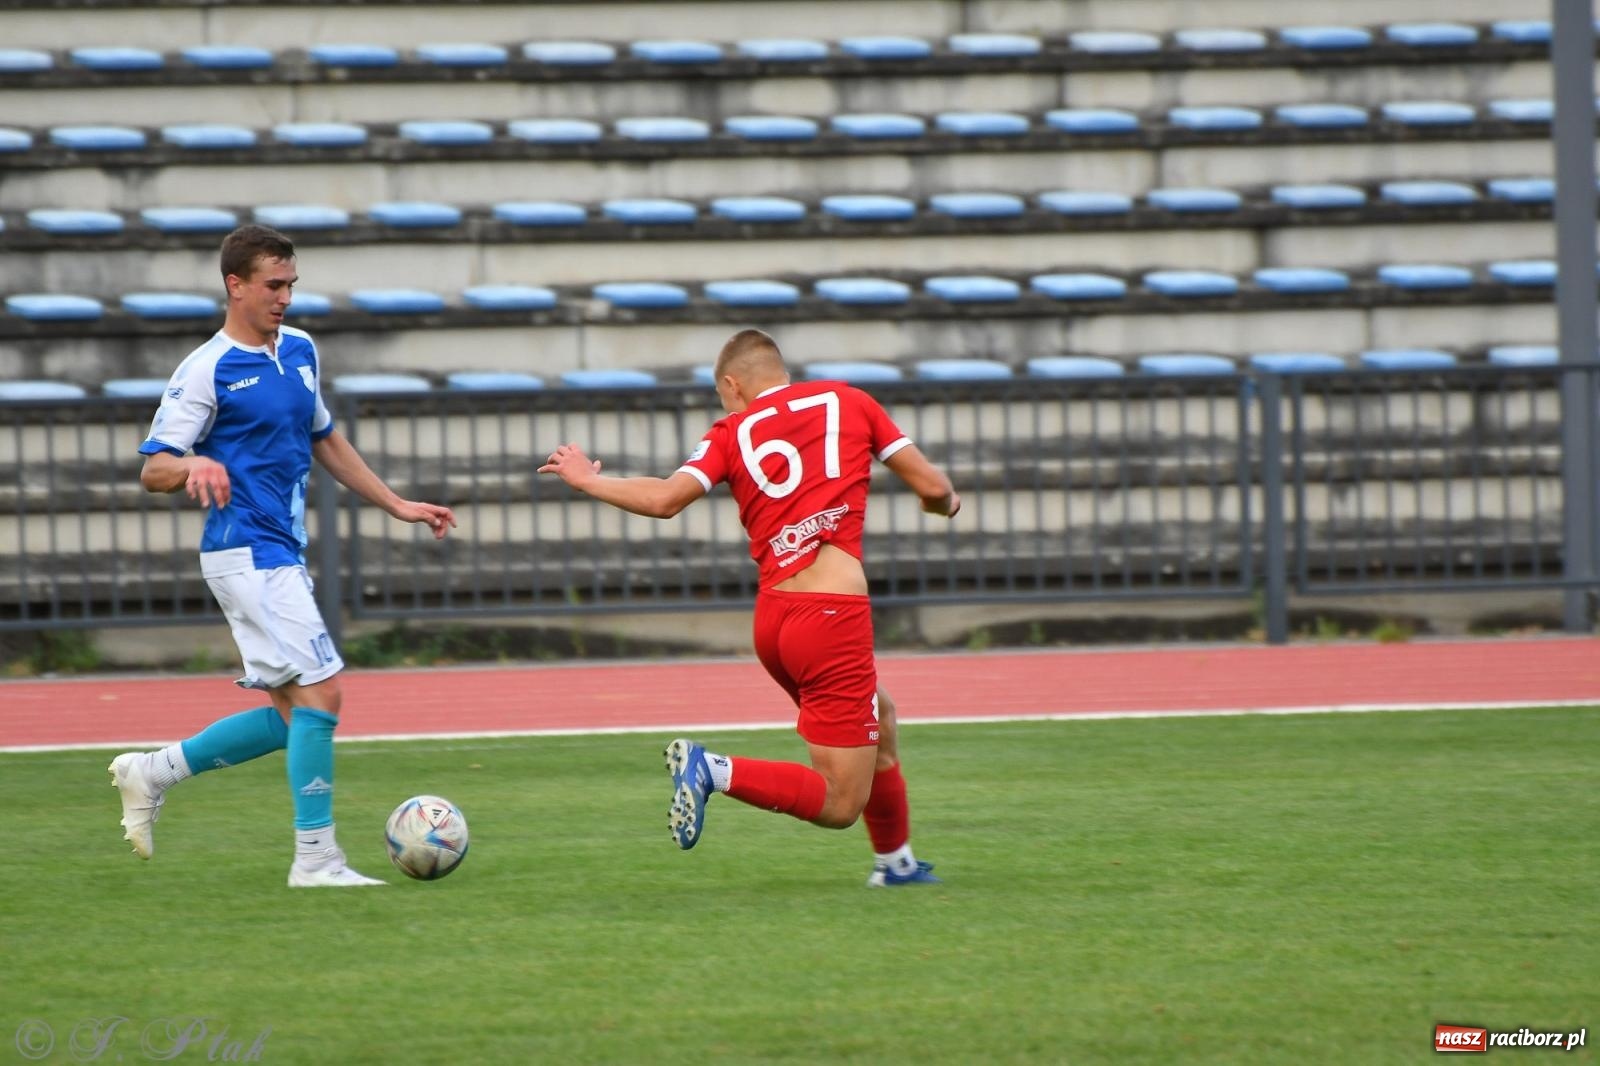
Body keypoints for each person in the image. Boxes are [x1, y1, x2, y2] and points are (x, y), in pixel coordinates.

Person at [540, 328, 959, 886]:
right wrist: (944, 505)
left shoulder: (730, 432)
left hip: (776, 622)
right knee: (839, 801)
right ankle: (713, 770)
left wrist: (589, 480)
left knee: (878, 718)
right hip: (831, 618)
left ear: (733, 385)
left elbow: (665, 499)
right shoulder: (849, 401)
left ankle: (896, 864)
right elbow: (932, 486)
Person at [110, 224, 457, 887]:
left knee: (293, 716)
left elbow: (324, 438)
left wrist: (396, 503)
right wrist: (194, 464)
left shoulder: (299, 349)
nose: (285, 297)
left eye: (291, 284)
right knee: (323, 692)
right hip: (244, 550)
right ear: (235, 285)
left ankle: (152, 771)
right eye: (273, 285)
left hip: (278, 551)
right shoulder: (207, 368)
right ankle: (316, 860)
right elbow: (154, 470)